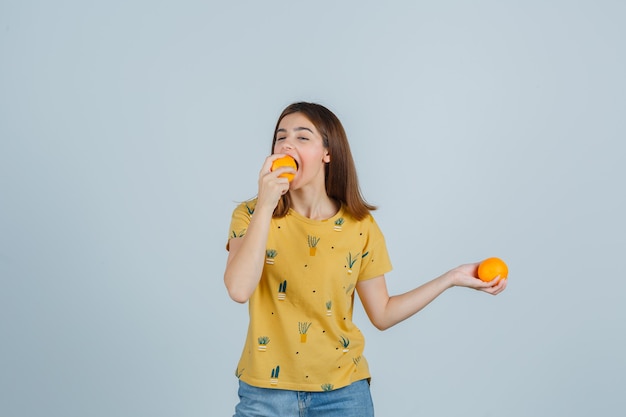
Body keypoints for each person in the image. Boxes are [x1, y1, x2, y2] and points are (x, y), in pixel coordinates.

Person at [224, 102, 507, 416]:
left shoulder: (360, 226)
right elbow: (238, 289)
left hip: (343, 396)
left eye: (302, 137)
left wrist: (451, 278)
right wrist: (265, 205)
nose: (287, 144)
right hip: (265, 395)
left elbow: (382, 314)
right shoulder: (250, 215)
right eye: (281, 137)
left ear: (327, 153)